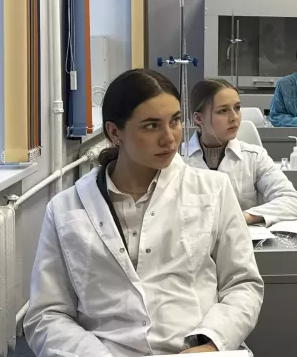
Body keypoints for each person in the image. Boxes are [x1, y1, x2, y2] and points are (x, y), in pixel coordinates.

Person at [25, 69, 264, 357]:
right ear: (115, 133)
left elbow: (242, 283)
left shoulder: (213, 190)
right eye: (152, 126)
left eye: (175, 121)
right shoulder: (66, 208)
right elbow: (47, 315)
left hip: (195, 349)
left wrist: (212, 343)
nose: (169, 138)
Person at [185, 78, 297, 226]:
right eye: (223, 111)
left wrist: (243, 217)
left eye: (237, 108)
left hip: (243, 237)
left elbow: (294, 202)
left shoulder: (254, 157)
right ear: (199, 118)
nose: (234, 117)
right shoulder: (179, 159)